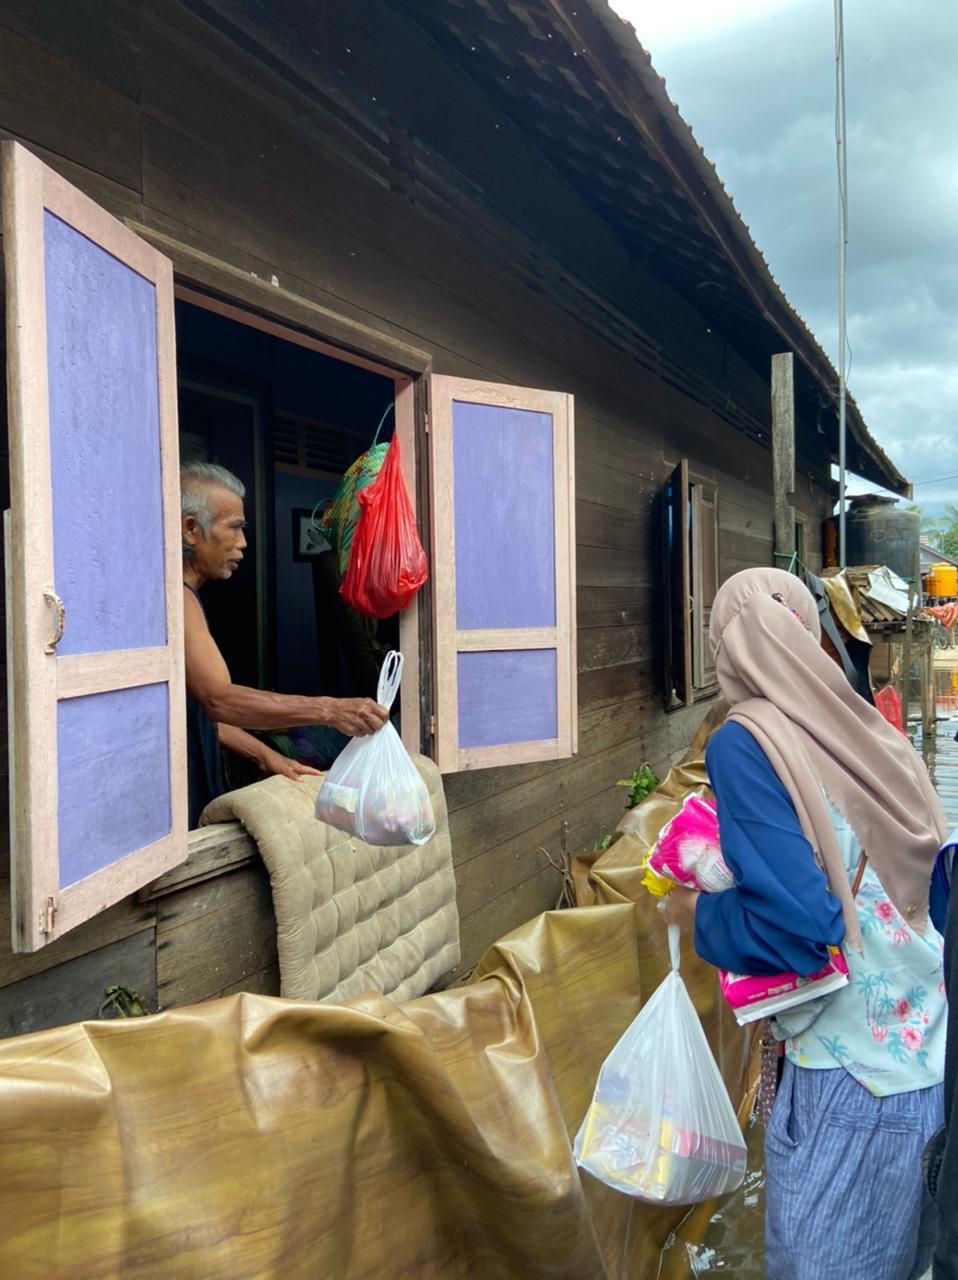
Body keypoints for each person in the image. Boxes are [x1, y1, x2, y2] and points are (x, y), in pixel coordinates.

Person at [663, 567, 948, 1280]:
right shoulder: (868, 730)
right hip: (929, 1062)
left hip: (847, 1081)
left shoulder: (744, 741)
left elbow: (802, 926)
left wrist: (697, 912)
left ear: (727, 651)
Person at [181, 462, 388, 826]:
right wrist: (331, 710)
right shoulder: (176, 599)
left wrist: (267, 757)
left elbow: (202, 712)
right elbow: (219, 700)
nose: (243, 542)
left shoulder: (188, 597)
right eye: (235, 527)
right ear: (191, 529)